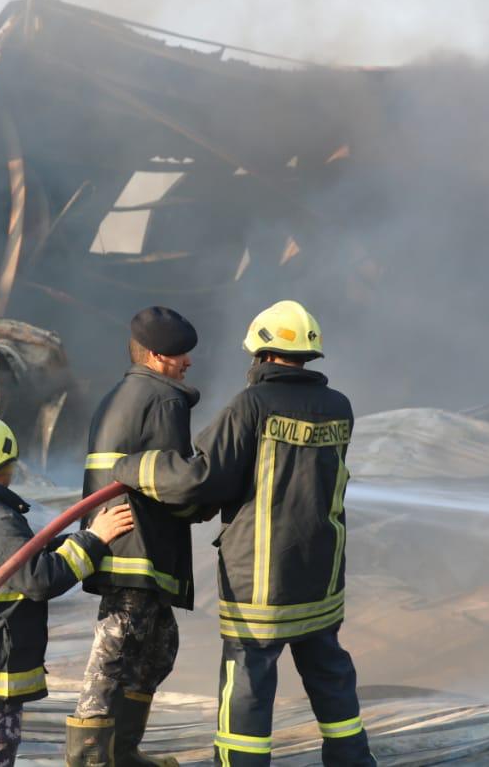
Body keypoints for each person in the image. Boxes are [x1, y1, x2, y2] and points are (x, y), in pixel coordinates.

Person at [109, 301, 375, 766]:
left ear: (261, 354)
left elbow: (204, 479)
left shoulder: (251, 405)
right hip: (321, 575)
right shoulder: (339, 407)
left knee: (248, 683)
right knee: (329, 673)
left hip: (261, 580)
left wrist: (134, 467)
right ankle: (352, 759)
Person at [0, 411, 134, 767]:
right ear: (6, 464)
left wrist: (74, 539)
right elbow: (39, 579)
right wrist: (94, 541)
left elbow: (15, 559)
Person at [70, 307, 202, 767]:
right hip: (139, 547)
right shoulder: (164, 398)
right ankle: (90, 757)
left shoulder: (117, 396)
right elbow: (174, 482)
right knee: (116, 652)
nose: (187, 362)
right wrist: (206, 500)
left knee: (157, 648)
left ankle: (123, 750)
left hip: (119, 544)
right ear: (155, 355)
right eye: (180, 354)